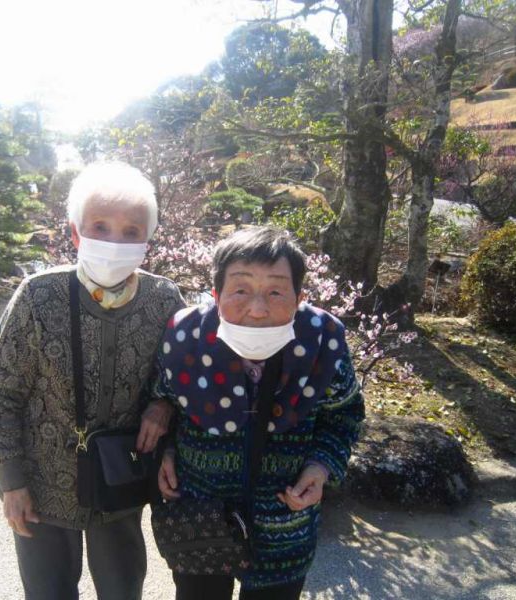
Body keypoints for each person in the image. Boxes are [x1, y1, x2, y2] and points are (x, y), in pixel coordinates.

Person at [0, 161, 185, 600]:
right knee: (48, 592)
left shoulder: (164, 299)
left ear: (146, 242)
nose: (114, 241)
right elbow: (0, 395)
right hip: (41, 484)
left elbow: (178, 379)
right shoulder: (38, 296)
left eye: (131, 231)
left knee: (123, 590)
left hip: (120, 481)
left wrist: (163, 405)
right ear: (76, 234)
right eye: (100, 227)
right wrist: (12, 481)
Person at [155, 226, 365, 600]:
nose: (257, 309)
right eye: (240, 290)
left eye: (275, 292)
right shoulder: (185, 337)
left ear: (299, 298)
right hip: (200, 519)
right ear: (216, 294)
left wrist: (320, 467)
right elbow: (165, 403)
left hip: (285, 527)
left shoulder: (322, 344)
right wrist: (167, 451)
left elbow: (344, 416)